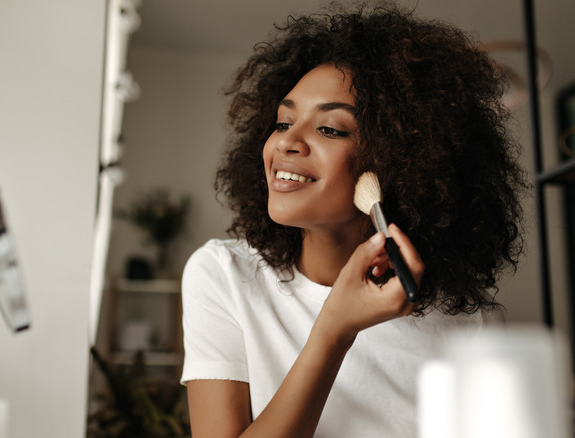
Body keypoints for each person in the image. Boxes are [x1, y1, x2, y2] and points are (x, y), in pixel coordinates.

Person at [180, 2, 527, 436]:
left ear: (401, 162)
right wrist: (334, 330)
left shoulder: (466, 326)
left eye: (330, 129)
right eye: (284, 121)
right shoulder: (225, 276)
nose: (287, 141)